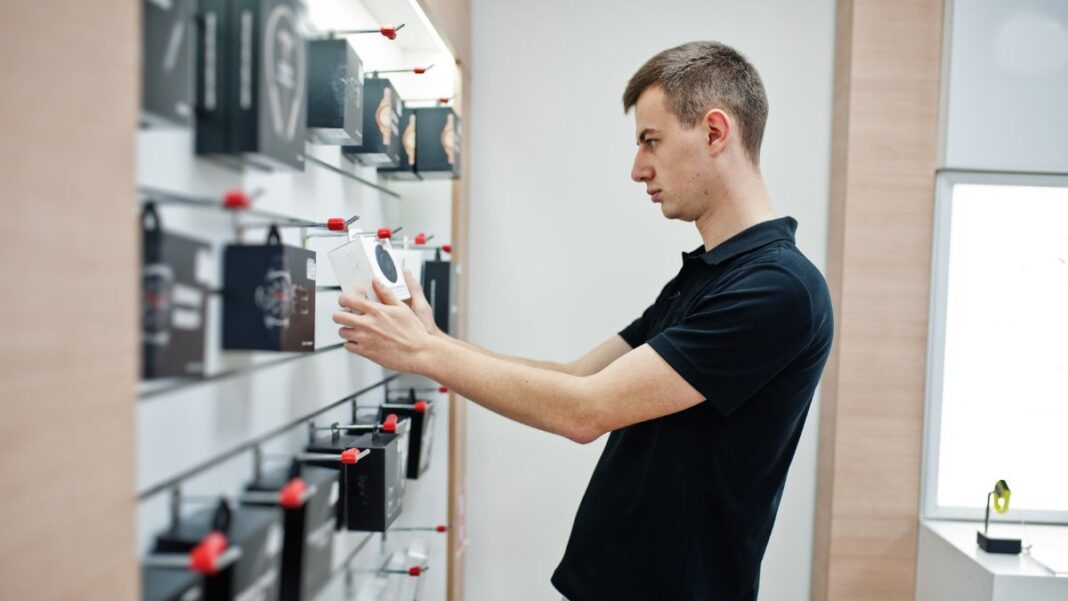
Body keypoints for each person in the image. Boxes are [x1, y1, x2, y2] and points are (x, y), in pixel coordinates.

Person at [333, 41, 834, 601]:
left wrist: (421, 355)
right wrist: (433, 341)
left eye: (651, 141)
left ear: (715, 132)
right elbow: (577, 378)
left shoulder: (777, 290)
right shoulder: (713, 275)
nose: (638, 168)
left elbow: (585, 413)